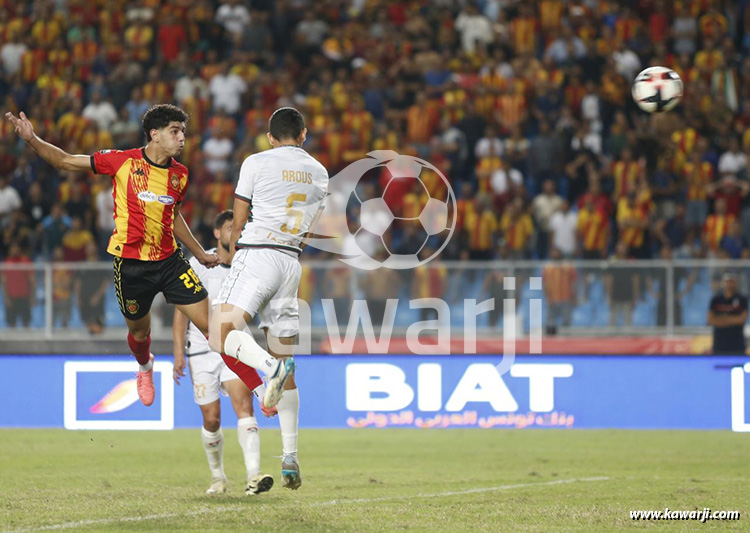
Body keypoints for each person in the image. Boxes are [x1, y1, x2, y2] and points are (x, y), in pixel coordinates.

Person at [5, 105, 264, 405]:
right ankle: (144, 366)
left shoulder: (180, 175)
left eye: (183, 132)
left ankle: (260, 389)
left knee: (214, 329)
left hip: (170, 263)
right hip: (131, 266)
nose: (182, 138)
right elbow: (64, 160)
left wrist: (199, 253)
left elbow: (173, 216)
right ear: (155, 134)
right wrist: (32, 139)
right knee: (140, 335)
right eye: (175, 131)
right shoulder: (122, 161)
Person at [209, 107, 329, 490]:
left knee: (219, 332)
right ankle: (290, 455)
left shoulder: (256, 162)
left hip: (257, 254)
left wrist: (236, 254)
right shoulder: (320, 173)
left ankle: (267, 370)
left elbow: (239, 218)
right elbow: (309, 230)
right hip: (291, 263)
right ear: (304, 134)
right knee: (285, 356)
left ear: (271, 137)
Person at [173, 210, 274, 496]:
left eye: (239, 228)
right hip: (201, 350)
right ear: (218, 233)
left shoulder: (247, 265)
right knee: (212, 419)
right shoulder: (200, 264)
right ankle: (218, 477)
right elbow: (181, 311)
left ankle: (254, 476)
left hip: (234, 347)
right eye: (231, 228)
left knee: (244, 407)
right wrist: (178, 353)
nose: (236, 233)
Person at [708, 273, 748, 355]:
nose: (729, 284)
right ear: (723, 283)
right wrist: (733, 319)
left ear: (736, 283)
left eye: (731, 281)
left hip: (737, 343)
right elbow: (711, 320)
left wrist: (722, 319)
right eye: (727, 281)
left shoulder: (742, 299)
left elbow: (742, 319)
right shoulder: (716, 299)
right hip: (719, 344)